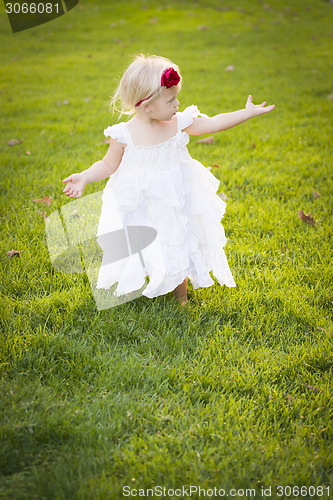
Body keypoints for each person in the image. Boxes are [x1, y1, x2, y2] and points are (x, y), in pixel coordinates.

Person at [62, 54, 275, 306]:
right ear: (147, 106)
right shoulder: (123, 134)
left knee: (177, 239)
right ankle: (137, 283)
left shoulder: (178, 123)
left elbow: (213, 123)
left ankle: (180, 296)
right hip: (138, 201)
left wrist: (246, 113)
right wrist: (85, 176)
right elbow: (109, 164)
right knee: (140, 244)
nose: (178, 104)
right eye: (171, 99)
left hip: (175, 197)